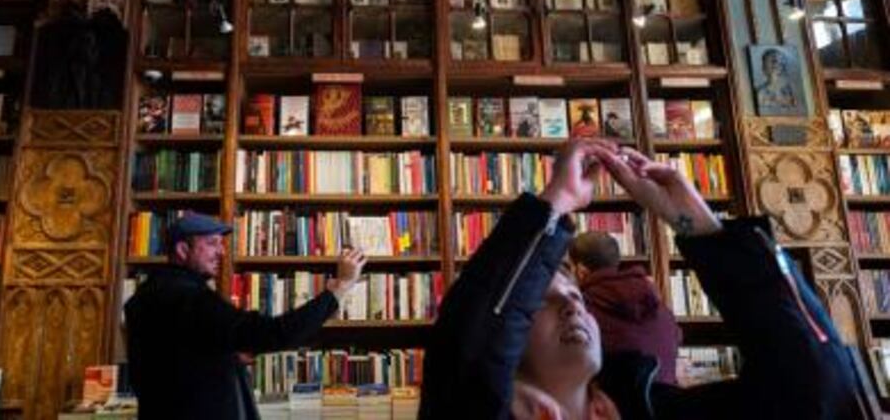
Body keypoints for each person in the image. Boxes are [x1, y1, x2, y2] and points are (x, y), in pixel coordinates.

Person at [420, 139, 861, 419]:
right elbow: (470, 341)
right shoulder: (470, 400)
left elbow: (821, 391)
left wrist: (701, 227)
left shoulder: (654, 406)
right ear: (511, 341)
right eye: (541, 302)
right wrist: (557, 201)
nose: (574, 305)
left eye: (576, 295)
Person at [125, 212, 367, 419]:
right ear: (182, 249)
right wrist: (339, 287)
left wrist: (223, 357)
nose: (221, 252)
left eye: (221, 244)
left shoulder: (147, 295)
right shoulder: (189, 298)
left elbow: (176, 357)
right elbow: (275, 334)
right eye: (211, 243)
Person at [568, 232, 681, 385]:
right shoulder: (659, 307)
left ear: (580, 271)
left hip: (612, 406)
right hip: (663, 405)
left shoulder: (581, 312)